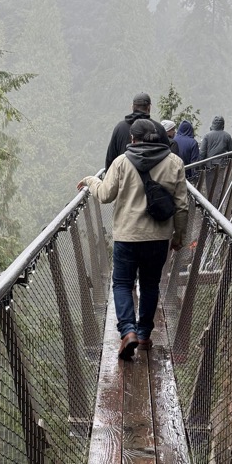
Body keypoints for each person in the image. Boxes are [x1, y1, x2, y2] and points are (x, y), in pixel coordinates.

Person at [79, 117, 188, 359]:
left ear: (132, 138)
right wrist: (178, 237)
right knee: (150, 285)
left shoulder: (121, 162)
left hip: (127, 237)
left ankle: (128, 331)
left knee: (122, 284)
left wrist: (90, 181)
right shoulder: (175, 163)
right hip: (158, 238)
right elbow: (182, 206)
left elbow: (105, 195)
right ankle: (144, 335)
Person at [104, 93, 159, 170]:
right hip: (154, 175)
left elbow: (110, 158)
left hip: (125, 173)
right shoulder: (158, 128)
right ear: (149, 107)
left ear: (132, 107)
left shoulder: (120, 127)